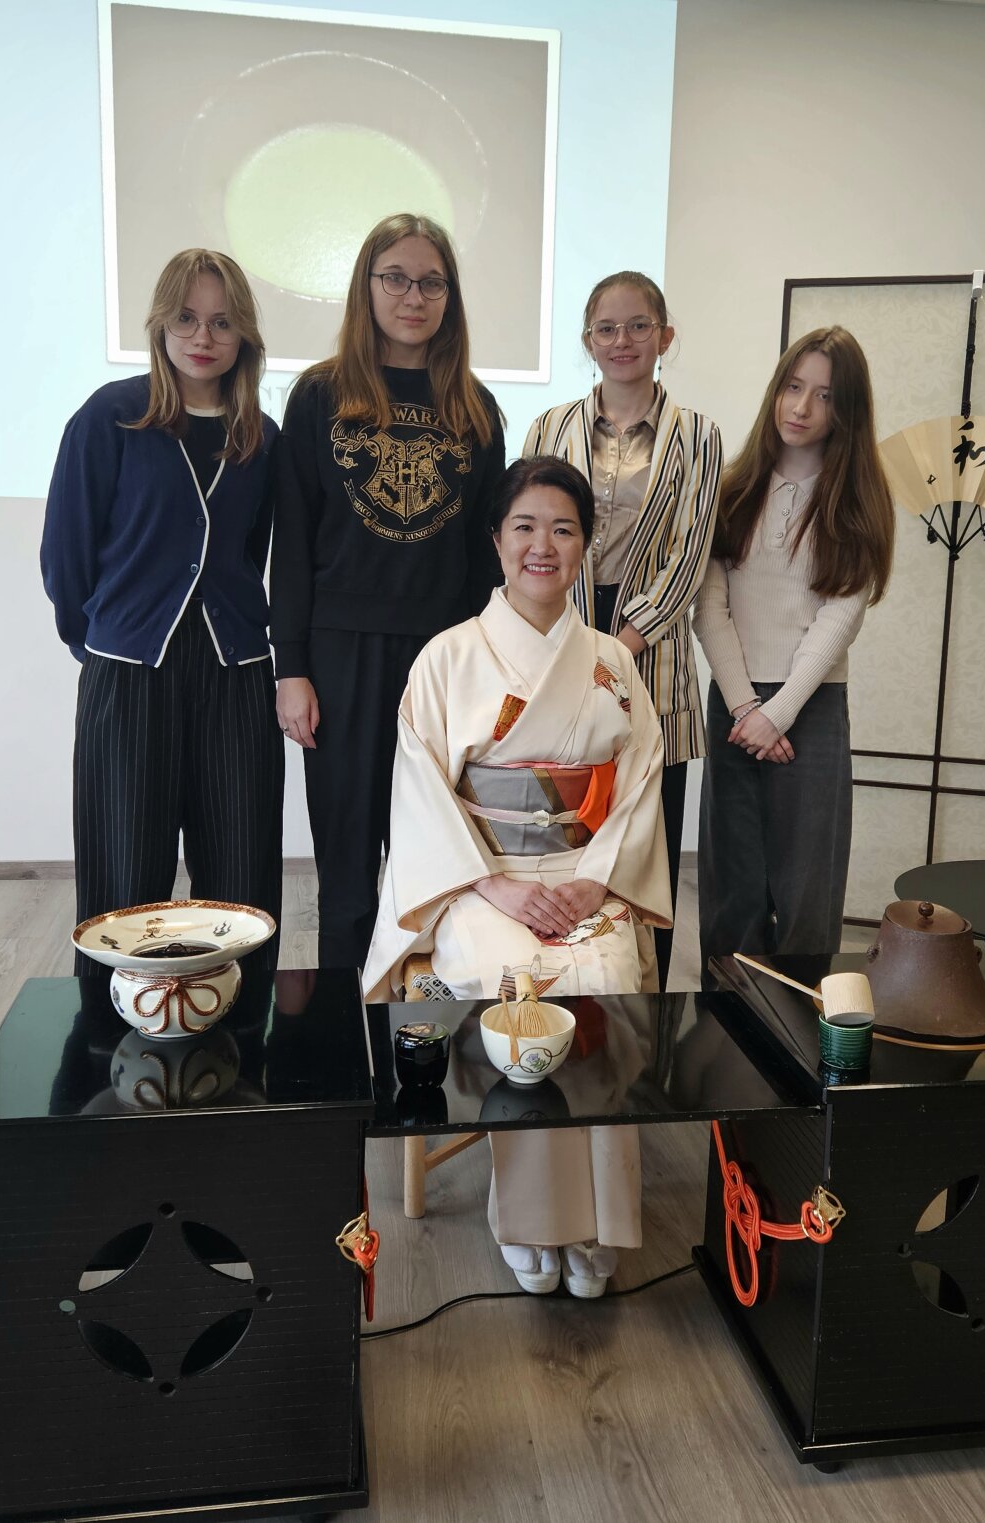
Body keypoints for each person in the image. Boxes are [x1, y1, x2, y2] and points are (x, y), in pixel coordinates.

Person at [363, 455, 671, 1297]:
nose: (544, 545)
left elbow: (640, 780)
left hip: (585, 874)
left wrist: (597, 881)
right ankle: (534, 1219)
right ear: (497, 540)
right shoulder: (447, 657)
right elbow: (420, 793)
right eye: (525, 526)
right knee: (517, 982)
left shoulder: (612, 662)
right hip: (479, 878)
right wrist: (492, 885)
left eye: (564, 529)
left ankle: (601, 1220)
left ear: (584, 547)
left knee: (604, 971)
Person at [271, 213, 506, 970]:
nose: (414, 296)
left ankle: (422, 1033)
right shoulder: (319, 396)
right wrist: (290, 666)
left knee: (436, 865)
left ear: (450, 296)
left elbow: (485, 560)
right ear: (366, 287)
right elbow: (292, 543)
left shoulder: (475, 408)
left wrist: (487, 669)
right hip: (339, 659)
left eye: (432, 283)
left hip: (443, 661)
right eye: (396, 278)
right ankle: (343, 1028)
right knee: (347, 878)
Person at [41, 249, 282, 972]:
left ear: (243, 335)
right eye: (186, 318)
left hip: (236, 674)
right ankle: (112, 1033)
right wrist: (103, 644)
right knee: (123, 879)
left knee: (241, 878)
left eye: (222, 322)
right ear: (160, 323)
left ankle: (240, 1028)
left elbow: (253, 551)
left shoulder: (261, 436)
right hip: (127, 674)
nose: (203, 336)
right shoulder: (110, 417)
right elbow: (66, 554)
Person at [523, 272, 722, 987]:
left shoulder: (698, 435)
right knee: (564, 837)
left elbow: (690, 555)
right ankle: (562, 989)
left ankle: (649, 1008)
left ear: (664, 336)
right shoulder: (550, 427)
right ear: (588, 340)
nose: (622, 340)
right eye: (606, 328)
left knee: (646, 848)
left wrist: (617, 647)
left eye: (639, 326)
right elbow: (533, 535)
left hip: (652, 658)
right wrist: (571, 644)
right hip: (559, 645)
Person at [693, 326, 894, 972]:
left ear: (848, 410)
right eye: (793, 386)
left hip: (812, 709)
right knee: (732, 892)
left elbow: (841, 617)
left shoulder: (858, 502)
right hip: (733, 703)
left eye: (825, 395)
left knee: (807, 894)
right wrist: (746, 706)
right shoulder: (729, 489)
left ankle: (801, 1027)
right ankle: (727, 1026)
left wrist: (777, 714)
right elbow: (709, 608)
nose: (802, 407)